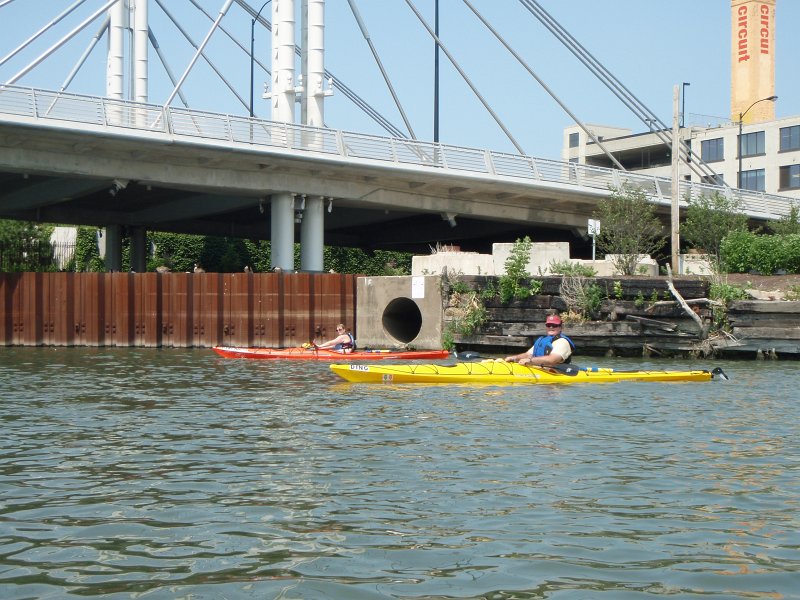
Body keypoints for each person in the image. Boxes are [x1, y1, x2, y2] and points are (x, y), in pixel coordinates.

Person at [505, 314, 574, 367]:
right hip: (540, 368)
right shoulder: (542, 339)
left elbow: (552, 360)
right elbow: (527, 354)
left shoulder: (562, 342)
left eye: (554, 325)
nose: (551, 327)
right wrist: (514, 358)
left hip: (556, 376)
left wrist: (530, 361)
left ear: (561, 327)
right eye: (548, 325)